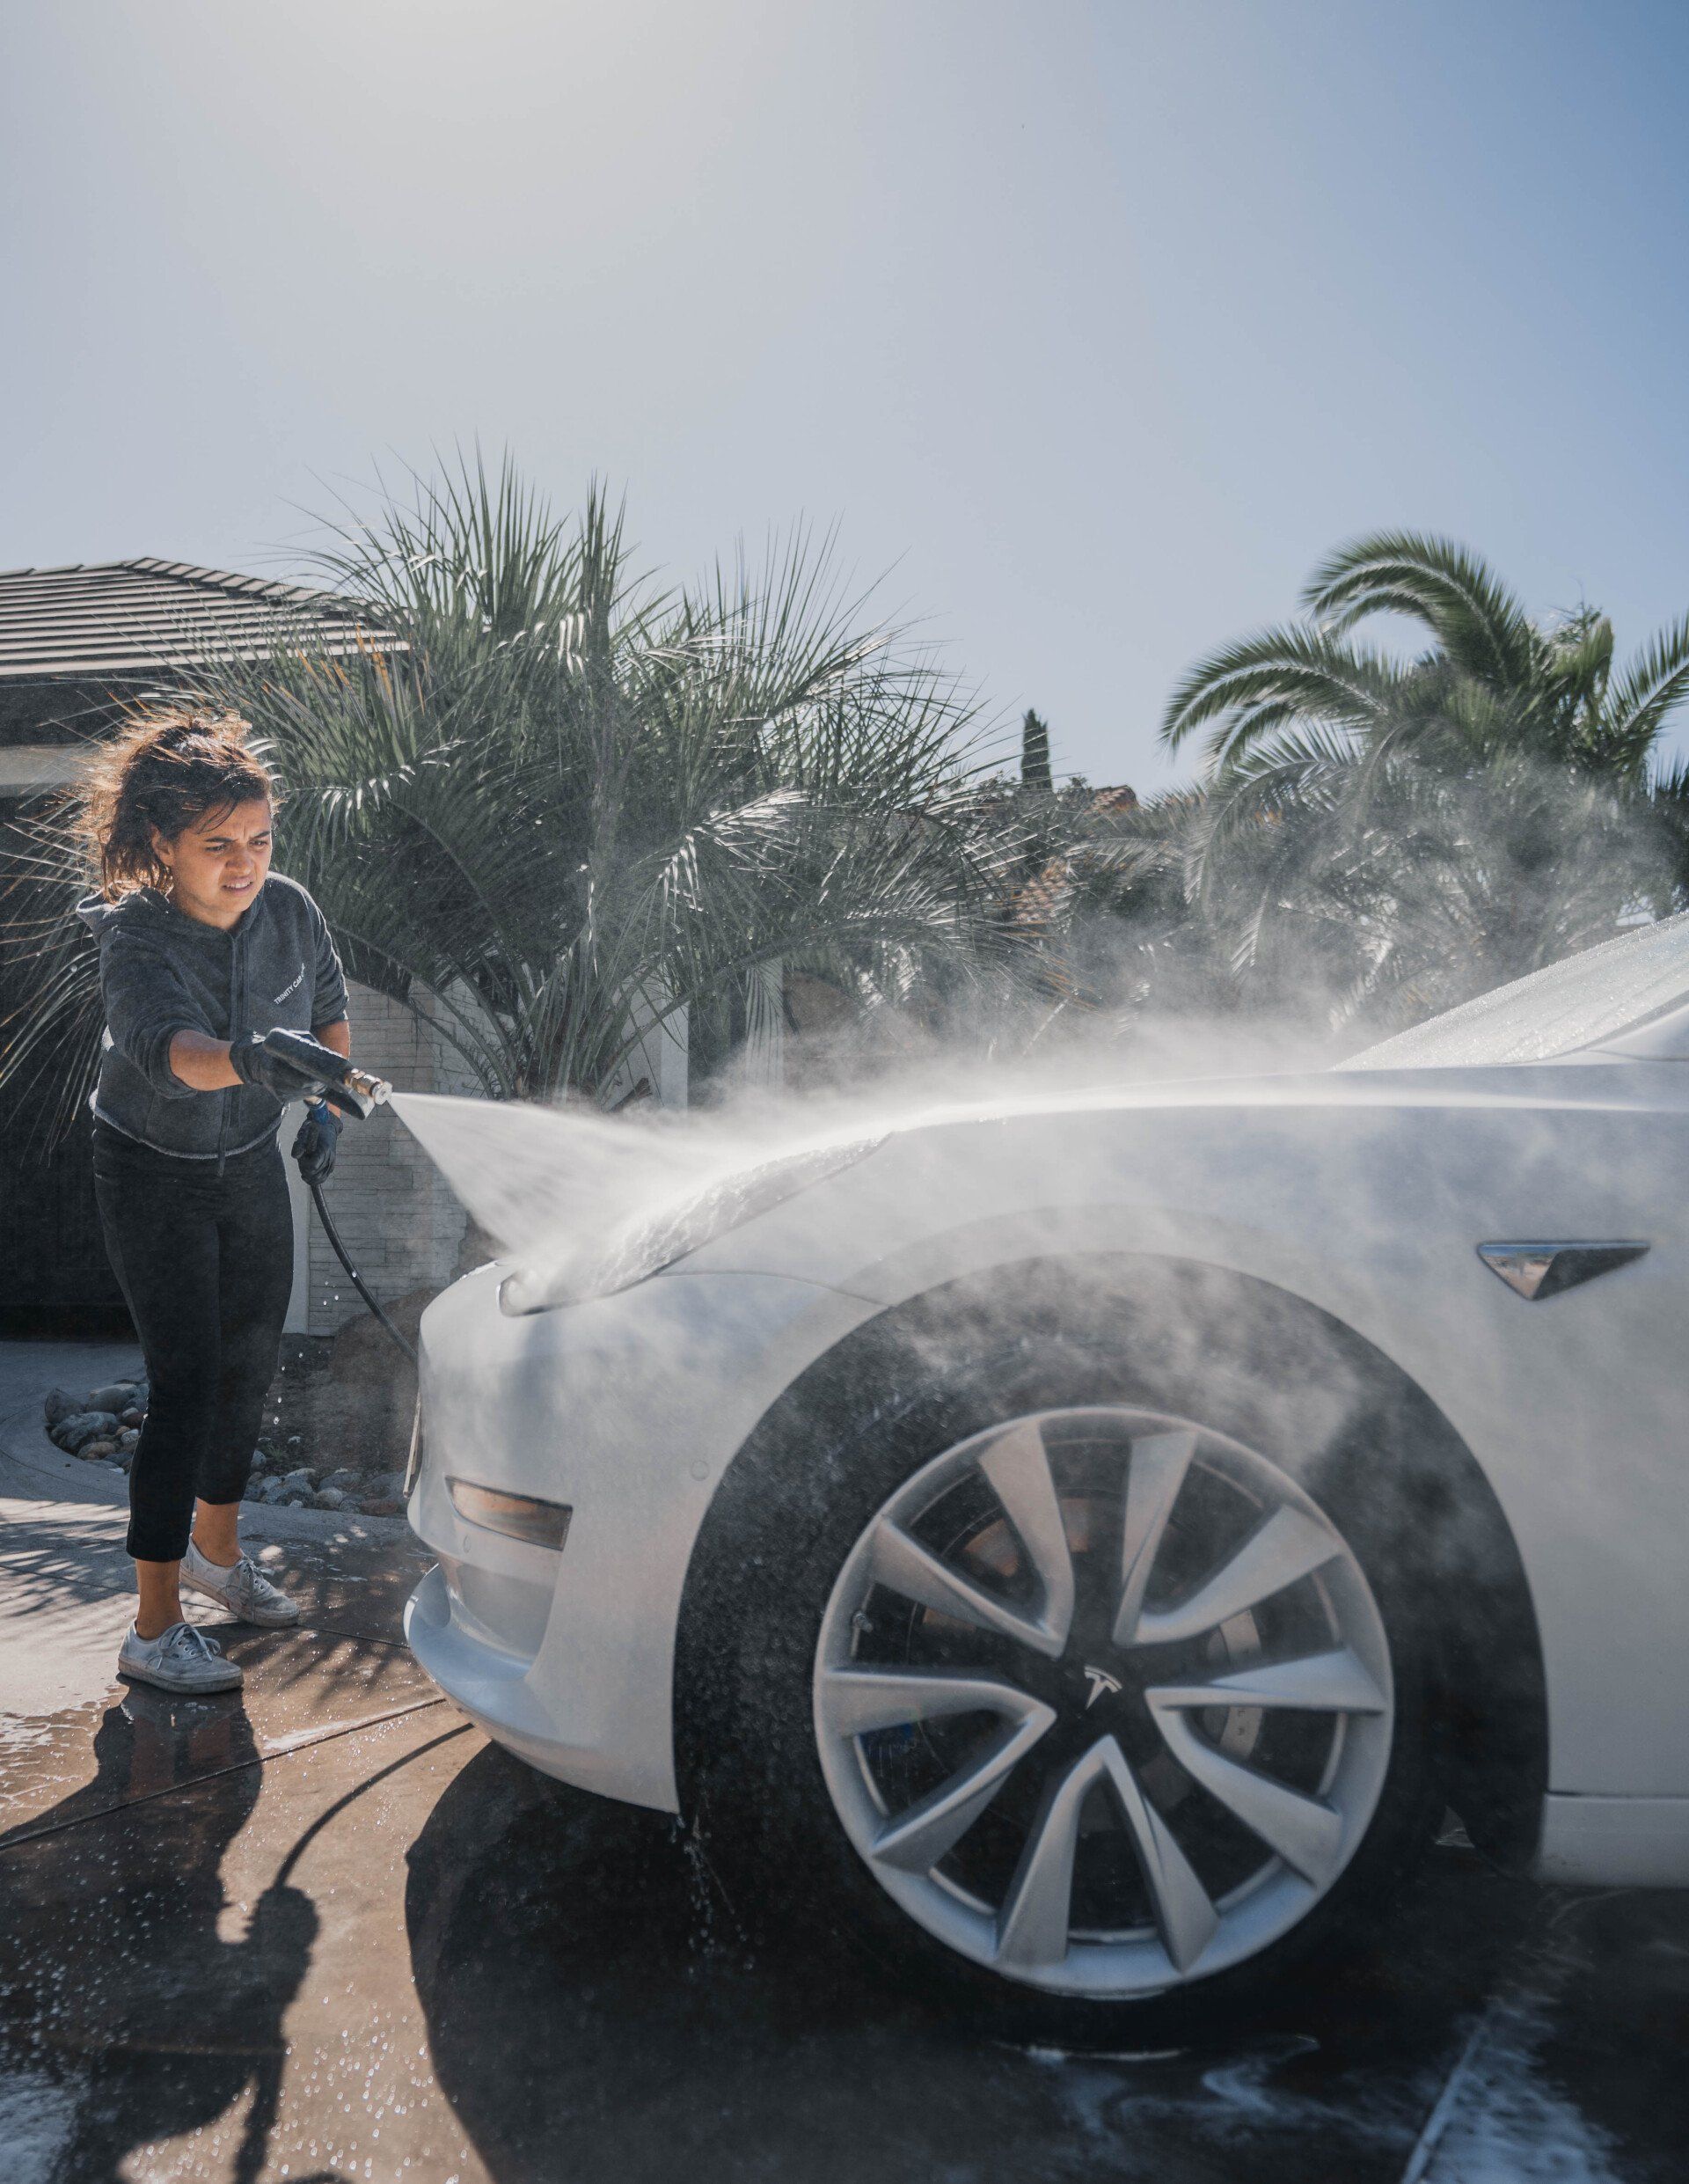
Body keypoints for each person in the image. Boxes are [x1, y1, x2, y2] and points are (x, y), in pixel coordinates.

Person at [76, 707, 355, 1694]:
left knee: (250, 1364)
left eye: (260, 838)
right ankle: (152, 1629)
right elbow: (171, 1056)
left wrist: (324, 1100)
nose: (245, 863)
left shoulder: (289, 907)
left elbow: (328, 1010)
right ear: (163, 843)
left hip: (245, 1158)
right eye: (219, 845)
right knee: (187, 1381)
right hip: (149, 1164)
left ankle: (217, 1559)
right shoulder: (137, 936)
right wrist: (245, 1057)